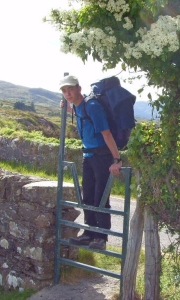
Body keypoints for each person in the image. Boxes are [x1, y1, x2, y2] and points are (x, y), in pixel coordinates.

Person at [59, 75, 122, 250]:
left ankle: (100, 238)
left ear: (79, 88)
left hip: (102, 156)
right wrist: (68, 109)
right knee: (87, 196)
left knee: (100, 196)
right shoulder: (79, 106)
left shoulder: (92, 106)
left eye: (70, 89)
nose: (68, 93)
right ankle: (89, 233)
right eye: (64, 90)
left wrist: (117, 159)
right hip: (88, 156)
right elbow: (81, 115)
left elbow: (106, 134)